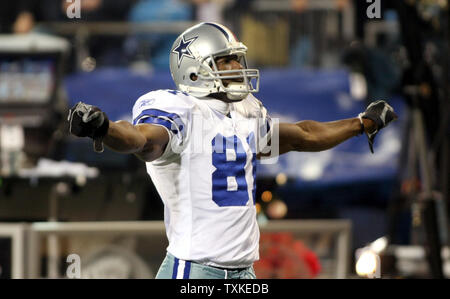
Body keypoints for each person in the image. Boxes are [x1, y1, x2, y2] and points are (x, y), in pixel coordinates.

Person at [67, 22, 397, 279]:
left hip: (243, 269)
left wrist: (360, 124)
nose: (237, 67)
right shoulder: (180, 111)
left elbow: (302, 135)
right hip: (197, 269)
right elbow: (139, 137)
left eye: (237, 59)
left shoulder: (244, 111)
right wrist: (104, 128)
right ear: (195, 71)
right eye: (225, 61)